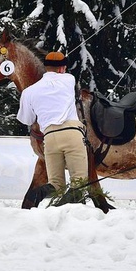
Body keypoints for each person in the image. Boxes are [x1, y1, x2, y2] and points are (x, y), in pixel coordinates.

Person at [16, 51, 88, 202]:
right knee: (79, 185)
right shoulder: (69, 79)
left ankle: (35, 197)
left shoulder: (29, 92)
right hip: (72, 133)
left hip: (49, 138)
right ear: (62, 69)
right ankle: (61, 211)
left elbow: (26, 119)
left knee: (56, 185)